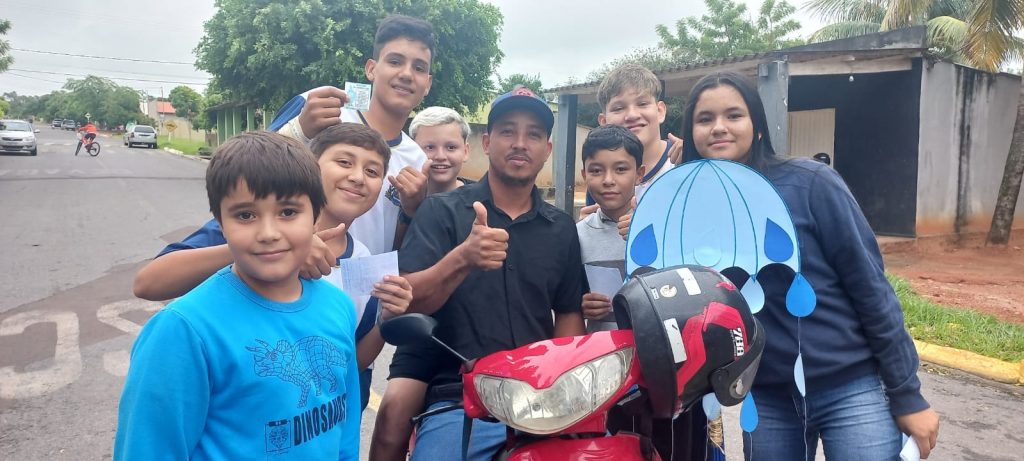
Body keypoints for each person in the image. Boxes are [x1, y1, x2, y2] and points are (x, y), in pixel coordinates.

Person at [677, 72, 940, 460]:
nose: (719, 127)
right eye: (705, 119)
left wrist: (908, 395)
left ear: (757, 126)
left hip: (850, 387)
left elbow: (871, 288)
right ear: (691, 132)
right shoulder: (686, 212)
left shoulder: (811, 183)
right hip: (766, 397)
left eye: (733, 115)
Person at [131, 122, 413, 413]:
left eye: (372, 171)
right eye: (344, 162)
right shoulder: (249, 224)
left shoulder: (364, 260)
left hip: (321, 420)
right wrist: (270, 251)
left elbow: (349, 361)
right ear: (312, 167)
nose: (357, 177)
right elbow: (148, 283)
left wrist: (385, 321)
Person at [113, 132, 361, 460]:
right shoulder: (183, 331)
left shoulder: (339, 306)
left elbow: (345, 427)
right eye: (245, 215)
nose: (269, 233)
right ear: (220, 222)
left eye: (288, 212)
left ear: (315, 217)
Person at [398, 86, 586, 460]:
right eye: (507, 131)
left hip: (540, 398)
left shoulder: (562, 228)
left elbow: (568, 313)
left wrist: (565, 388)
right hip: (462, 398)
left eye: (534, 134)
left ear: (547, 150)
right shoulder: (441, 212)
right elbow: (408, 300)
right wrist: (463, 258)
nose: (520, 143)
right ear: (486, 142)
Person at [270, 14, 434, 255]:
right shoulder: (321, 107)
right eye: (395, 61)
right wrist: (300, 131)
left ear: (427, 84)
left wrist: (412, 210)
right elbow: (248, 170)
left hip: (363, 277)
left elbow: (397, 245)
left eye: (419, 68)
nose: (407, 74)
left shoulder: (418, 159)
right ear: (371, 69)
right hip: (291, 267)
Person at [370, 106, 474, 461]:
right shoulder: (393, 197)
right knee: (391, 419)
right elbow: (389, 260)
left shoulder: (481, 203)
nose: (440, 156)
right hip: (419, 333)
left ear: (466, 151)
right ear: (413, 151)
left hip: (470, 332)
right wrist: (410, 210)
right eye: (429, 147)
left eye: (451, 147)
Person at [579, 64, 683, 221]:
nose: (632, 115)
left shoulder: (683, 161)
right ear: (604, 121)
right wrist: (586, 229)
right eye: (618, 108)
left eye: (642, 104)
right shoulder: (602, 178)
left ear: (660, 111)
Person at [576, 124, 644, 333]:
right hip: (603, 350)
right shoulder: (577, 235)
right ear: (584, 174)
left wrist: (646, 232)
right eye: (596, 171)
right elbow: (568, 297)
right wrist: (581, 306)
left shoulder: (661, 229)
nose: (608, 180)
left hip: (657, 346)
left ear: (639, 174)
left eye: (620, 169)